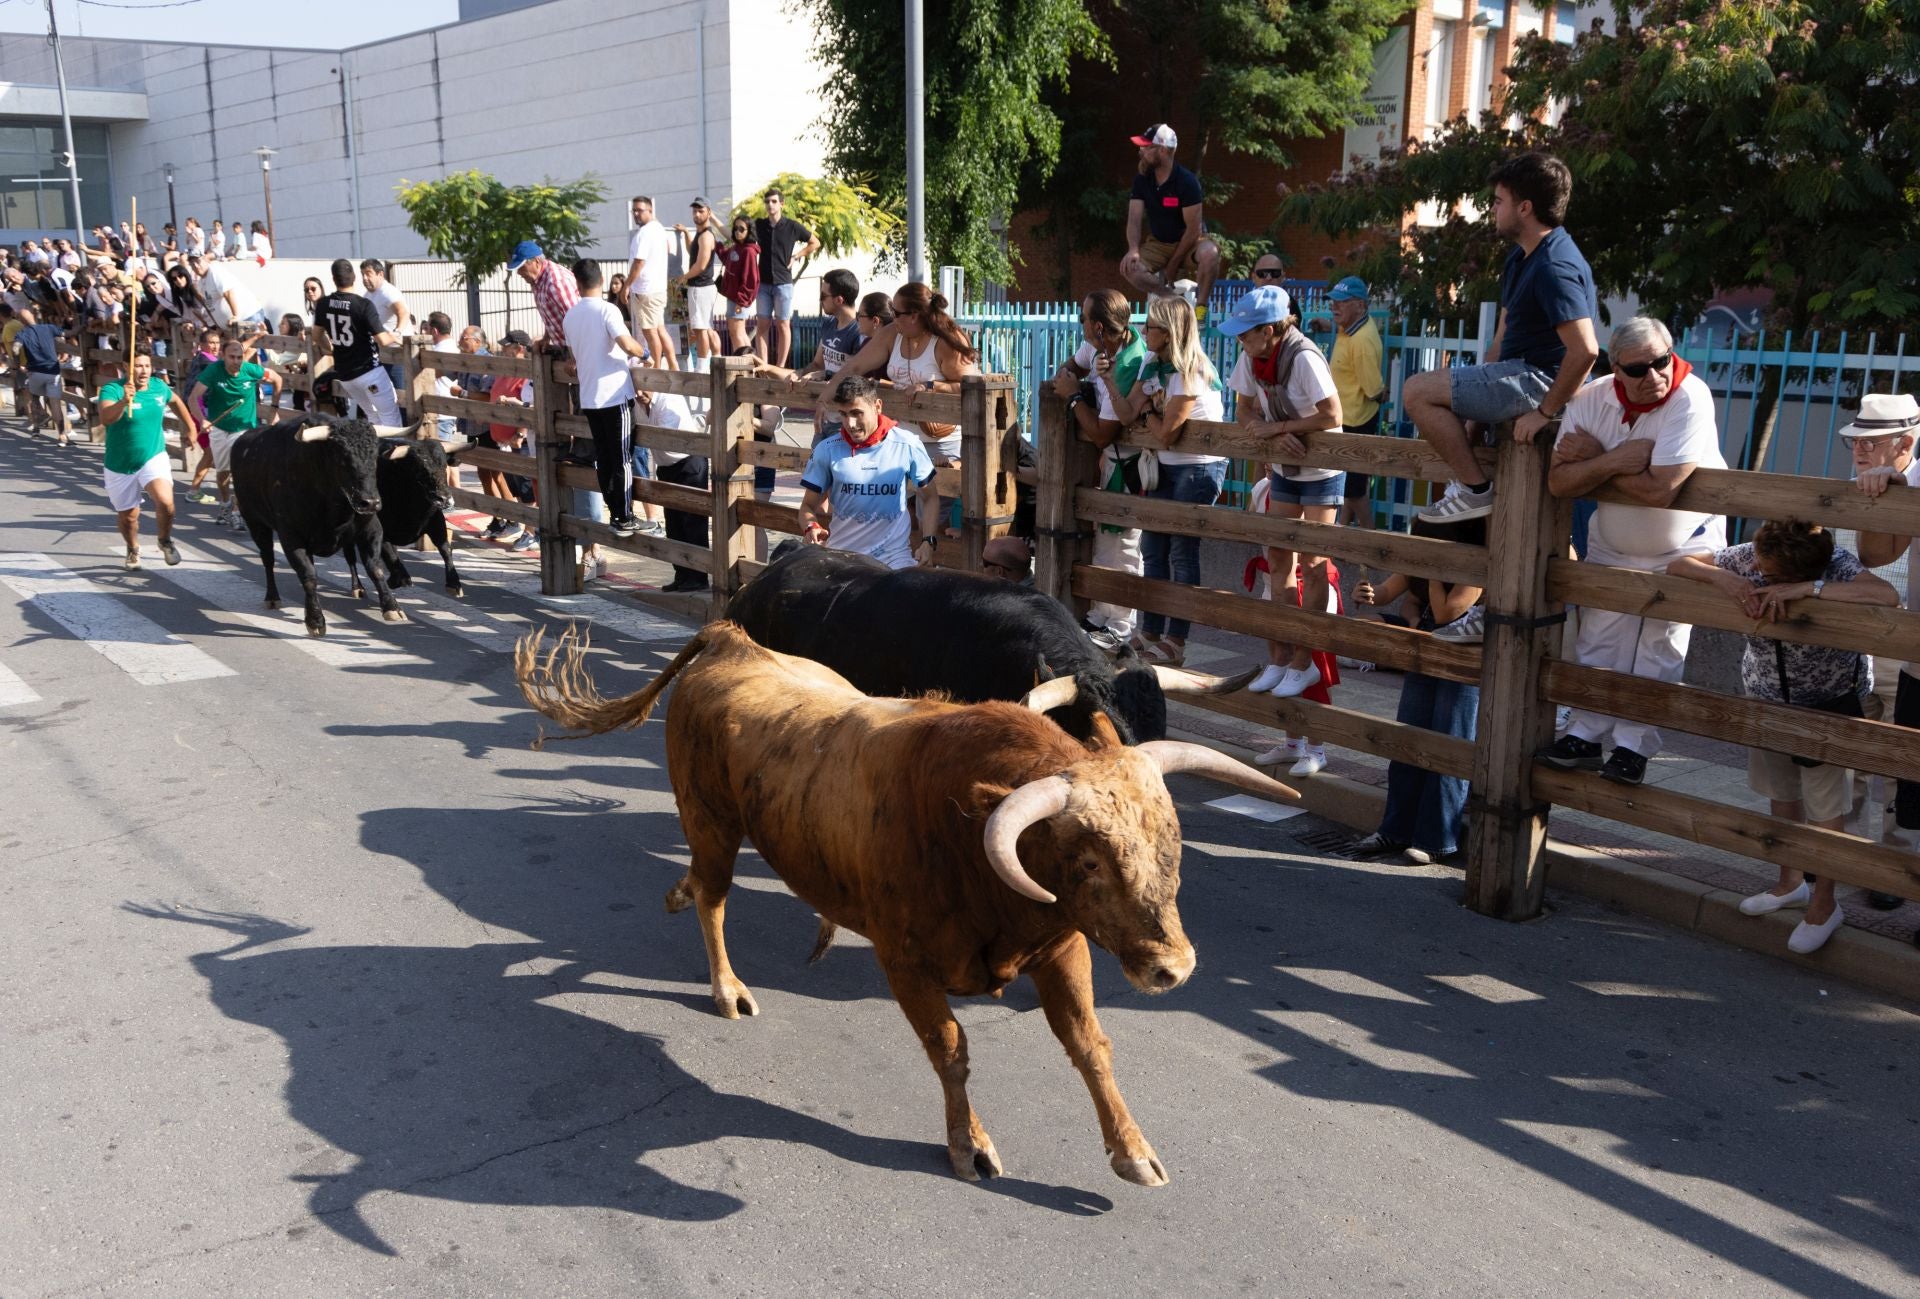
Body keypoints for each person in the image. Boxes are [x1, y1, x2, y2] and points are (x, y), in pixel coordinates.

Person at [1668, 521, 1898, 954]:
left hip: (1828, 705)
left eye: (1768, 573)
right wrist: (1723, 578)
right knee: (1781, 794)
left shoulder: (1836, 564)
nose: (1756, 569)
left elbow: (1886, 595)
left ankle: (1826, 904)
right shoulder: (1752, 555)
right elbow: (1679, 564)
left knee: (1827, 811)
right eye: (1757, 561)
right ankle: (1790, 883)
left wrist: (1811, 591)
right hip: (1766, 698)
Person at [1536, 317, 1726, 786]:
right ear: (1616, 369)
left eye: (1662, 361)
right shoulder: (1591, 397)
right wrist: (1618, 459)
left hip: (1683, 547)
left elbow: (1661, 488)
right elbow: (1558, 481)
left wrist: (1595, 461)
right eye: (1639, 369)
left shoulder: (1691, 396)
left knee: (1658, 650)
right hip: (1613, 543)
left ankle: (1633, 747)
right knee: (1598, 640)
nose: (1655, 375)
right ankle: (1586, 733)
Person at [1404, 151, 1599, 523]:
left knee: (1416, 391)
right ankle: (1471, 488)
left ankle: (1474, 491)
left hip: (1541, 379)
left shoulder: (1554, 265)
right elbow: (1500, 342)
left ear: (1524, 207)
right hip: (1518, 372)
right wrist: (1474, 419)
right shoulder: (1521, 257)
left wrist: (1544, 412)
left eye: (1498, 201)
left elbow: (1586, 350)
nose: (1492, 208)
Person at [1218, 283, 1343, 695]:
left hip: (1322, 469)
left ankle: (1305, 662)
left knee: (1314, 563)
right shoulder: (1252, 357)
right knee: (1277, 559)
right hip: (1287, 468)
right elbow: (1243, 408)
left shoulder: (1304, 356)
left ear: (1268, 330)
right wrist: (1264, 431)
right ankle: (1282, 657)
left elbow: (1332, 414)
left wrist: (1280, 428)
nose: (1240, 340)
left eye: (1246, 333)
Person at [1348, 515, 1491, 862]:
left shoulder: (1474, 568)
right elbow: (1386, 592)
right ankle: (1394, 830)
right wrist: (1367, 593)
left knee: (1448, 748)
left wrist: (1431, 574)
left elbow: (1446, 613)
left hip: (1463, 659)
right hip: (1425, 651)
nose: (1420, 547)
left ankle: (1435, 840)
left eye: (1428, 542)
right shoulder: (1422, 560)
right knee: (1407, 741)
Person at [1114, 294, 1226, 666]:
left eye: (1150, 326)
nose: (1143, 331)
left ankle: (1176, 640)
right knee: (1153, 548)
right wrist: (1109, 382)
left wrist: (1148, 414)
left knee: (1181, 551)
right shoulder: (1152, 362)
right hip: (1166, 466)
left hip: (1198, 467)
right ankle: (1150, 631)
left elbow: (1166, 433)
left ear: (1169, 332)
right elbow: (1127, 412)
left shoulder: (1190, 370)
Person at [1844, 391, 1920, 920]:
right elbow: (1862, 556)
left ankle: (1893, 868)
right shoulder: (1855, 484)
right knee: (1849, 748)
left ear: (1905, 443)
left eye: (1872, 443)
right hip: (1855, 633)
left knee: (1898, 759)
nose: (1859, 451)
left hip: (1903, 641)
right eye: (1855, 441)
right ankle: (1842, 855)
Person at [1051, 288, 1150, 654]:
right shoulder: (1100, 345)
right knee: (1106, 542)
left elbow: (1101, 434)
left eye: (1083, 319)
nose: (1080, 325)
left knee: (1123, 546)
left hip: (1128, 465)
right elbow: (1071, 366)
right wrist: (1071, 378)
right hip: (1112, 463)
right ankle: (1099, 616)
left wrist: (1074, 396)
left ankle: (1120, 626)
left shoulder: (1128, 364)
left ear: (1096, 326)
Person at [799, 373, 939, 570]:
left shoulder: (907, 444)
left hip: (894, 560)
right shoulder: (827, 449)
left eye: (857, 413)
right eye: (843, 414)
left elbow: (931, 497)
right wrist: (810, 527)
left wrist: (928, 542)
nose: (850, 424)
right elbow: (807, 506)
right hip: (842, 558)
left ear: (877, 406)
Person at [562, 258, 650, 537]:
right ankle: (624, 517)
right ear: (601, 281)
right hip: (614, 395)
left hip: (589, 398)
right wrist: (645, 353)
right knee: (622, 458)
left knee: (604, 458)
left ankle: (616, 514)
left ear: (577, 284)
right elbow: (626, 344)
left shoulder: (570, 316)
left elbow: (573, 358)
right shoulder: (607, 310)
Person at [96, 352, 196, 570]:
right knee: (129, 517)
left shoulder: (158, 387)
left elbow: (176, 401)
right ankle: (133, 548)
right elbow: (106, 418)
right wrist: (124, 401)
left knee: (166, 502)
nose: (144, 371)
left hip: (153, 456)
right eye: (138, 366)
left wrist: (190, 427)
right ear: (126, 366)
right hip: (120, 463)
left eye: (147, 366)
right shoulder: (112, 389)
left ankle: (165, 540)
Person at [1120, 123, 1220, 313]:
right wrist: (1133, 249)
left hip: (1190, 242)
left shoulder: (1187, 182)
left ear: (1163, 150)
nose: (1141, 151)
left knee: (1211, 253)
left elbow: (1194, 230)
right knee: (1130, 268)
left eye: (1146, 147)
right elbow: (1134, 219)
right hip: (1159, 243)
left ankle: (1200, 309)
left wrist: (1173, 263)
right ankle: (1173, 300)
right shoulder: (1142, 179)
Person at [190, 335, 283, 531]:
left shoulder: (251, 370)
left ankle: (236, 511)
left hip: (244, 430)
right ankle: (225, 504)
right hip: (219, 427)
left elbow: (277, 379)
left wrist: (274, 409)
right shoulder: (213, 371)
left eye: (239, 357)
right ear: (222, 356)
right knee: (222, 472)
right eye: (232, 357)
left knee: (240, 472)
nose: (236, 361)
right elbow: (193, 398)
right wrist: (202, 420)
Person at [633, 384, 710, 592]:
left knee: (693, 524)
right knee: (674, 525)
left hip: (688, 463)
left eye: (643, 389)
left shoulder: (669, 400)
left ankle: (698, 577)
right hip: (666, 467)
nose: (639, 394)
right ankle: (682, 574)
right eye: (635, 389)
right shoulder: (639, 404)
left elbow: (664, 441)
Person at [312, 257, 402, 426]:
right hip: (369, 372)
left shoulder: (323, 304)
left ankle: (375, 444)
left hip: (346, 376)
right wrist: (397, 334)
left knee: (372, 418)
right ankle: (392, 444)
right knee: (391, 418)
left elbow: (316, 336)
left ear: (334, 279)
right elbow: (383, 340)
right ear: (354, 277)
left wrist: (330, 348)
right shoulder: (363, 305)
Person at [1326, 274, 1385, 530]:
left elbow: (1373, 390)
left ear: (1360, 305)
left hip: (1355, 420)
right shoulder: (1352, 328)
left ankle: (1371, 539)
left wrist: (1383, 394)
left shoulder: (1361, 340)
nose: (1334, 306)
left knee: (1353, 490)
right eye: (1333, 301)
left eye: (1341, 302)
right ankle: (1342, 532)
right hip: (1349, 416)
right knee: (1351, 485)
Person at [484, 329, 540, 553]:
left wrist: (520, 433)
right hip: (504, 440)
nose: (503, 349)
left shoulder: (525, 372)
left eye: (507, 346)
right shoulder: (506, 369)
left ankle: (531, 531)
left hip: (520, 440)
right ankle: (523, 525)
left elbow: (529, 403)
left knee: (528, 487)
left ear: (519, 348)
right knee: (516, 486)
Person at [752, 188, 819, 368]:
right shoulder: (759, 225)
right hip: (763, 284)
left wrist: (798, 255)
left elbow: (815, 242)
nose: (770, 205)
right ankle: (763, 367)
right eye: (767, 202)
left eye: (774, 201)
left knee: (783, 324)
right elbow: (740, 234)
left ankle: (780, 367)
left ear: (781, 203)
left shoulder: (792, 226)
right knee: (762, 324)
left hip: (783, 283)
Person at [622, 195, 675, 369]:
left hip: (646, 291)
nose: (636, 214)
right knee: (660, 330)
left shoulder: (644, 233)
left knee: (650, 333)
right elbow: (667, 249)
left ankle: (657, 367)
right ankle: (673, 366)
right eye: (634, 211)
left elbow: (639, 262)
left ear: (650, 211)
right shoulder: (659, 228)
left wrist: (626, 286)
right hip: (658, 289)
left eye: (640, 210)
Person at [673, 198, 723, 367]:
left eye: (701, 211)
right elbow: (692, 251)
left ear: (709, 212)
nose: (697, 214)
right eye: (694, 211)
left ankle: (702, 368)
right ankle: (717, 361)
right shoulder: (700, 235)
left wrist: (684, 277)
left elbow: (701, 265)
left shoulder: (706, 236)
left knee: (700, 330)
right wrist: (686, 233)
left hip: (700, 288)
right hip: (703, 288)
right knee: (707, 329)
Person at [13, 307, 71, 445]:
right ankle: (62, 435)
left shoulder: (22, 333)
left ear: (21, 321)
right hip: (53, 371)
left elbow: (15, 349)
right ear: (33, 315)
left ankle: (36, 427)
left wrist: (18, 364)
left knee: (34, 397)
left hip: (35, 372)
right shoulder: (48, 328)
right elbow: (67, 333)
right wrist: (81, 327)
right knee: (55, 403)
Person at [508, 241, 579, 350]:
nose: (519, 273)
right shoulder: (537, 280)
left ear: (536, 261)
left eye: (521, 267)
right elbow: (551, 314)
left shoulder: (555, 283)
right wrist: (546, 338)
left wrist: (574, 356)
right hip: (565, 348)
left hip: (578, 349)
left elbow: (577, 322)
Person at [360, 259, 410, 390]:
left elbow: (403, 312)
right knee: (381, 392)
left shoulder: (388, 292)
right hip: (380, 352)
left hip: (396, 352)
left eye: (368, 274)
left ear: (380, 274)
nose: (364, 278)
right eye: (362, 274)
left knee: (400, 392)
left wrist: (397, 332)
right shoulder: (367, 296)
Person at [717, 217, 760, 356]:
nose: (737, 232)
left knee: (737, 332)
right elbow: (726, 258)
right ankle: (746, 362)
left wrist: (741, 302)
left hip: (739, 300)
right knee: (736, 332)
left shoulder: (749, 251)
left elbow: (751, 280)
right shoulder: (737, 247)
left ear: (749, 231)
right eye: (735, 228)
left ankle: (746, 363)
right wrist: (717, 246)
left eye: (742, 229)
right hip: (732, 297)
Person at [193, 251, 268, 330]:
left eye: (198, 261)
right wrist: (218, 326)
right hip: (231, 327)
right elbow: (210, 306)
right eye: (192, 264)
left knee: (254, 337)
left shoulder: (215, 271)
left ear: (205, 260)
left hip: (247, 317)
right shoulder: (201, 283)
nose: (196, 266)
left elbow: (228, 293)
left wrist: (235, 316)